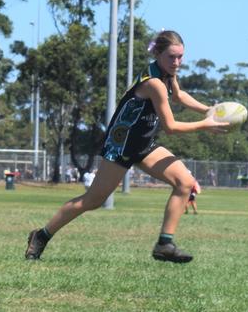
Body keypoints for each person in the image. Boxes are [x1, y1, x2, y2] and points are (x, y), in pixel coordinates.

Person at [25, 30, 228, 263]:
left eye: (180, 57)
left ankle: (164, 244)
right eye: (172, 57)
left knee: (185, 182)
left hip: (143, 144)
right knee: (92, 200)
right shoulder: (154, 83)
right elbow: (170, 126)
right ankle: (41, 235)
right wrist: (205, 124)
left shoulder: (167, 75)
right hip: (121, 146)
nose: (177, 62)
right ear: (158, 54)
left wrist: (208, 110)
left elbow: (180, 96)